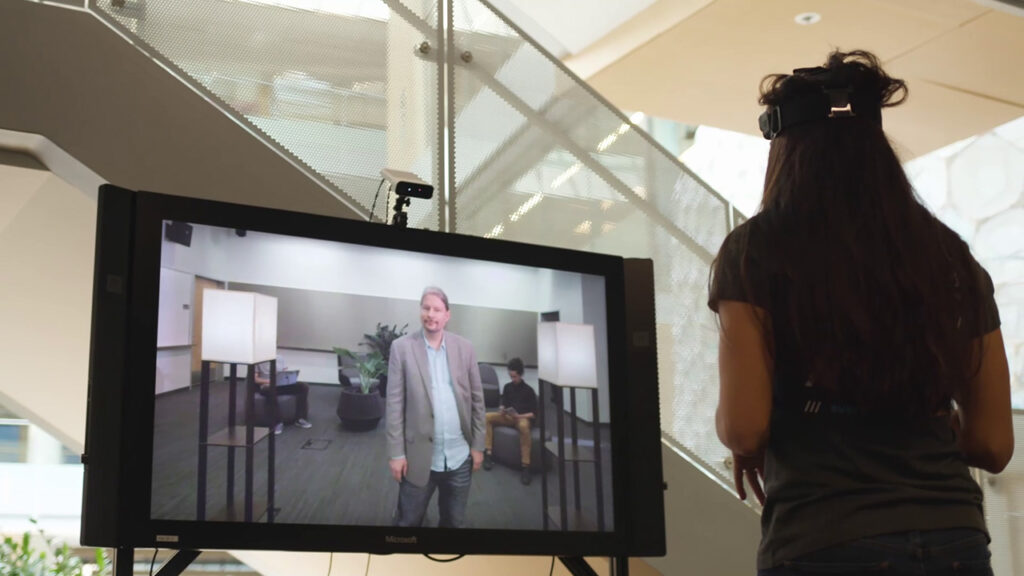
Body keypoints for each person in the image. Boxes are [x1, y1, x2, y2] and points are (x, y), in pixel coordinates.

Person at [708, 50, 1013, 575]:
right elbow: (991, 442)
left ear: (785, 151)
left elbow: (744, 427)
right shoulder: (948, 256)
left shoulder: (755, 251)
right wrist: (916, 419)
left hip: (825, 537)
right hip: (953, 540)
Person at [386, 286, 486, 527]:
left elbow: (477, 400)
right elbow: (394, 405)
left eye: (437, 309)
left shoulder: (465, 348)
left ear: (447, 315)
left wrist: (479, 445)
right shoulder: (402, 348)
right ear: (420, 311)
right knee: (408, 523)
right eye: (426, 308)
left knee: (454, 522)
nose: (431, 314)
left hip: (459, 455)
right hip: (418, 458)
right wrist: (396, 454)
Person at [482, 357, 537, 485]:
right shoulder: (507, 387)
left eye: (515, 377)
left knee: (524, 427)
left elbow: (533, 414)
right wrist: (502, 409)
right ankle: (488, 453)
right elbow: (504, 404)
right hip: (508, 417)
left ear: (521, 374)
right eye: (511, 376)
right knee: (487, 417)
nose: (513, 379)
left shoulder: (529, 391)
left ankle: (525, 466)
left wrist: (520, 416)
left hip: (521, 419)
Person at [253, 357, 312, 435]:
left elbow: (284, 373)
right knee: (269, 391)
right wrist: (270, 381)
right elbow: (256, 379)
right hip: (267, 385)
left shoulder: (280, 358)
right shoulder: (258, 361)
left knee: (303, 386)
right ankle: (277, 422)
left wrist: (290, 378)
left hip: (281, 384)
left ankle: (299, 418)